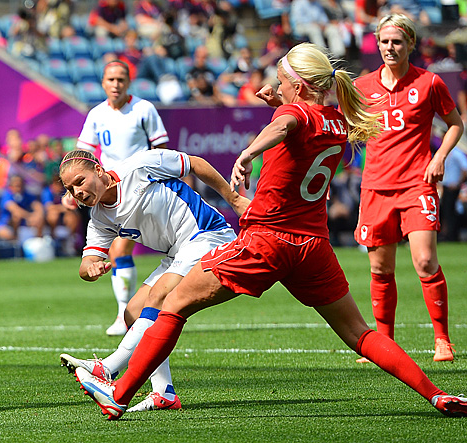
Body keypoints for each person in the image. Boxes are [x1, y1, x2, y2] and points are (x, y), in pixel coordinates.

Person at [72, 42, 467, 420]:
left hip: (267, 241)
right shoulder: (337, 122)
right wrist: (282, 106)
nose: (275, 87)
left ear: (299, 85)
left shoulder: (291, 117)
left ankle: (118, 394)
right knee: (359, 333)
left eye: (281, 81)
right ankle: (435, 393)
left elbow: (287, 126)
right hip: (313, 246)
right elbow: (304, 126)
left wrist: (248, 152)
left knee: (171, 307)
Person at [58, 148, 248, 412]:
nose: (76, 192)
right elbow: (86, 263)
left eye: (80, 181)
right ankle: (164, 392)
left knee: (158, 297)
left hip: (207, 236)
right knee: (133, 313)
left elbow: (196, 164)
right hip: (177, 253)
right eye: (70, 188)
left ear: (98, 171)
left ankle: (108, 367)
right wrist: (90, 269)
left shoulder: (139, 166)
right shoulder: (99, 217)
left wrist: (235, 200)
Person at [353, 14, 464, 363]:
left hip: (417, 183)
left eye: (397, 42)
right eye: (384, 42)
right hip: (375, 187)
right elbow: (336, 121)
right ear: (378, 43)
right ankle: (383, 344)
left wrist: (439, 157)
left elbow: (454, 124)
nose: (390, 48)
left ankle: (442, 339)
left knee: (426, 260)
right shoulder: (362, 87)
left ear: (411, 45)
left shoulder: (430, 83)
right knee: (381, 269)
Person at [74, 59, 170, 336]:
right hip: (109, 192)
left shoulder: (143, 109)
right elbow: (83, 155)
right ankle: (128, 313)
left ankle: (124, 314)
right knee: (118, 253)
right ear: (103, 82)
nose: (115, 84)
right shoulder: (96, 115)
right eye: (110, 79)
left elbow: (161, 148)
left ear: (128, 82)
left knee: (118, 251)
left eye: (120, 79)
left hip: (139, 187)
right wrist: (74, 189)